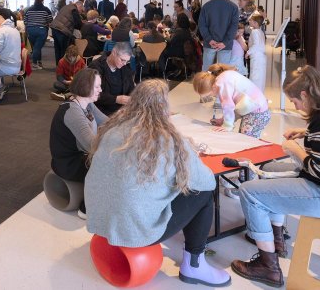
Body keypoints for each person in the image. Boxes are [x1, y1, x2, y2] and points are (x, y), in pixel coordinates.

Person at [85, 79, 231, 288]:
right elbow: (206, 181)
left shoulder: (111, 129)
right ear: (164, 106)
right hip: (135, 230)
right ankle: (195, 263)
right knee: (203, 193)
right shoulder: (168, 140)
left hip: (99, 219)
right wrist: (190, 155)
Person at [231, 66, 320, 288]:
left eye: (295, 101)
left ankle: (268, 267)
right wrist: (306, 134)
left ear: (305, 95)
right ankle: (276, 241)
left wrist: (295, 149)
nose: (295, 106)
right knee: (269, 170)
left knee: (248, 191)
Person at [50, 68, 107, 219]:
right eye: (97, 86)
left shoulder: (87, 105)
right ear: (85, 86)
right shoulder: (72, 112)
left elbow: (108, 122)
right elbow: (91, 146)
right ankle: (85, 208)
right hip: (68, 164)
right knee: (108, 162)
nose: (100, 90)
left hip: (81, 156)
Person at [193, 63, 270, 138]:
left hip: (257, 113)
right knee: (246, 139)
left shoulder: (221, 85)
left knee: (246, 141)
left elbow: (228, 107)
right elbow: (237, 107)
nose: (213, 97)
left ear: (213, 87)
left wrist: (227, 126)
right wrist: (223, 120)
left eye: (210, 95)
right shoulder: (223, 77)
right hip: (258, 109)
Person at [199, 0, 239, 72]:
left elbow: (202, 25)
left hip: (210, 43)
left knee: (206, 72)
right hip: (226, 45)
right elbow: (233, 27)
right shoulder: (233, 7)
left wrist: (209, 39)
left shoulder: (207, 6)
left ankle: (206, 86)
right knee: (224, 73)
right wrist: (225, 42)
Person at [89, 42, 135, 115]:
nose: (124, 63)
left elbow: (131, 88)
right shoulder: (96, 67)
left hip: (122, 109)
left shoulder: (125, 67)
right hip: (101, 110)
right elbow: (91, 93)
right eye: (122, 60)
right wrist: (115, 99)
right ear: (114, 53)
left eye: (127, 61)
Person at [0, 8, 22, 100]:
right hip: (16, 65)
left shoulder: (2, 31)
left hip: (6, 66)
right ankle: (0, 86)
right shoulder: (14, 29)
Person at [50, 0, 84, 65]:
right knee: (64, 49)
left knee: (57, 49)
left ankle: (58, 65)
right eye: (81, 10)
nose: (81, 12)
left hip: (54, 27)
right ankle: (63, 65)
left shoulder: (66, 7)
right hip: (63, 30)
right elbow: (78, 24)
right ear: (79, 6)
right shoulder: (74, 9)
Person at [25, 0, 53, 70]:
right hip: (41, 30)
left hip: (30, 30)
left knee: (36, 47)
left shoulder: (29, 9)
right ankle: (34, 64)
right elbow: (50, 20)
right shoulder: (46, 9)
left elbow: (25, 21)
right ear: (42, 1)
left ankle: (39, 62)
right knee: (37, 47)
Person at [246, 14, 266, 92]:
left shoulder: (254, 32)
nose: (249, 21)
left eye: (251, 20)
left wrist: (248, 52)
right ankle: (259, 95)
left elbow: (256, 44)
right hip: (261, 57)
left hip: (256, 58)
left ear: (256, 23)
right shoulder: (260, 32)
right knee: (260, 78)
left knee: (255, 77)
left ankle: (254, 97)